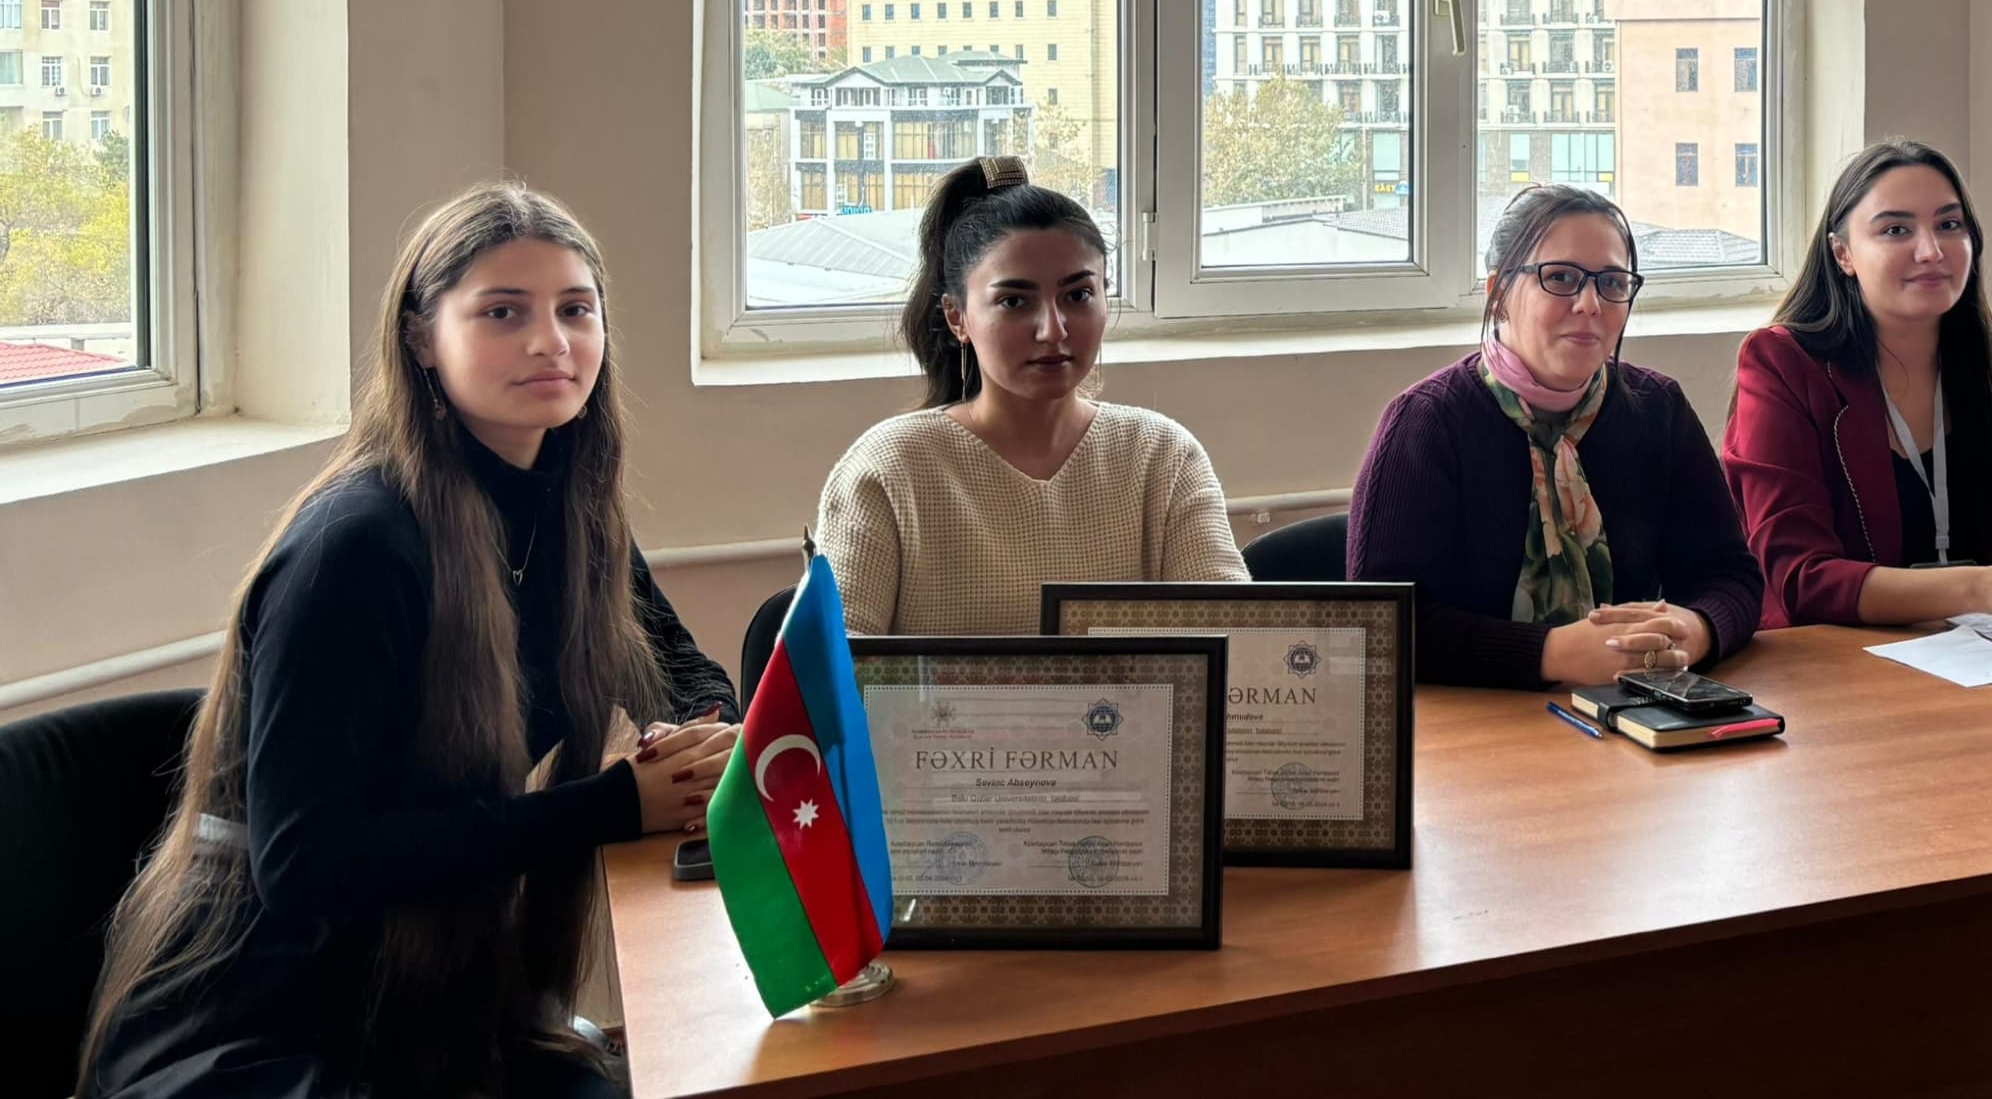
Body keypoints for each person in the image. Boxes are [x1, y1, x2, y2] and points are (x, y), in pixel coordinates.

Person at [81, 184, 740, 1099]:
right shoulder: (356, 544)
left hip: (438, 991)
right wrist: (614, 805)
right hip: (263, 1021)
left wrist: (711, 736)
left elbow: (678, 669)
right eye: (502, 313)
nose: (551, 341)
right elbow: (309, 865)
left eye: (575, 309)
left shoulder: (573, 505)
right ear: (423, 339)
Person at [1347, 185, 1762, 689]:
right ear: (1498, 293)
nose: (1590, 303)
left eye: (1611, 282)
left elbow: (1730, 577)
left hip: (1630, 717)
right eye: (1561, 278)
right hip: (1474, 735)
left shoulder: (1658, 409)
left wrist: (1693, 631)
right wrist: (1551, 653)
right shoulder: (1425, 424)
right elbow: (1381, 628)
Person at [815, 156, 1245, 635]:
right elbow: (830, 675)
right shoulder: (890, 467)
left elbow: (1236, 648)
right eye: (1014, 301)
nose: (1053, 329)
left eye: (1078, 295)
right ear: (958, 317)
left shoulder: (1163, 456)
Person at [1722, 140, 1992, 630]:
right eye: (1896, 229)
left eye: (1949, 225)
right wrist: (1978, 587)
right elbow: (1800, 578)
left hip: (1976, 663)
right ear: (1843, 253)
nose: (1931, 250)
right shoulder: (1782, 362)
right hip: (1830, 667)